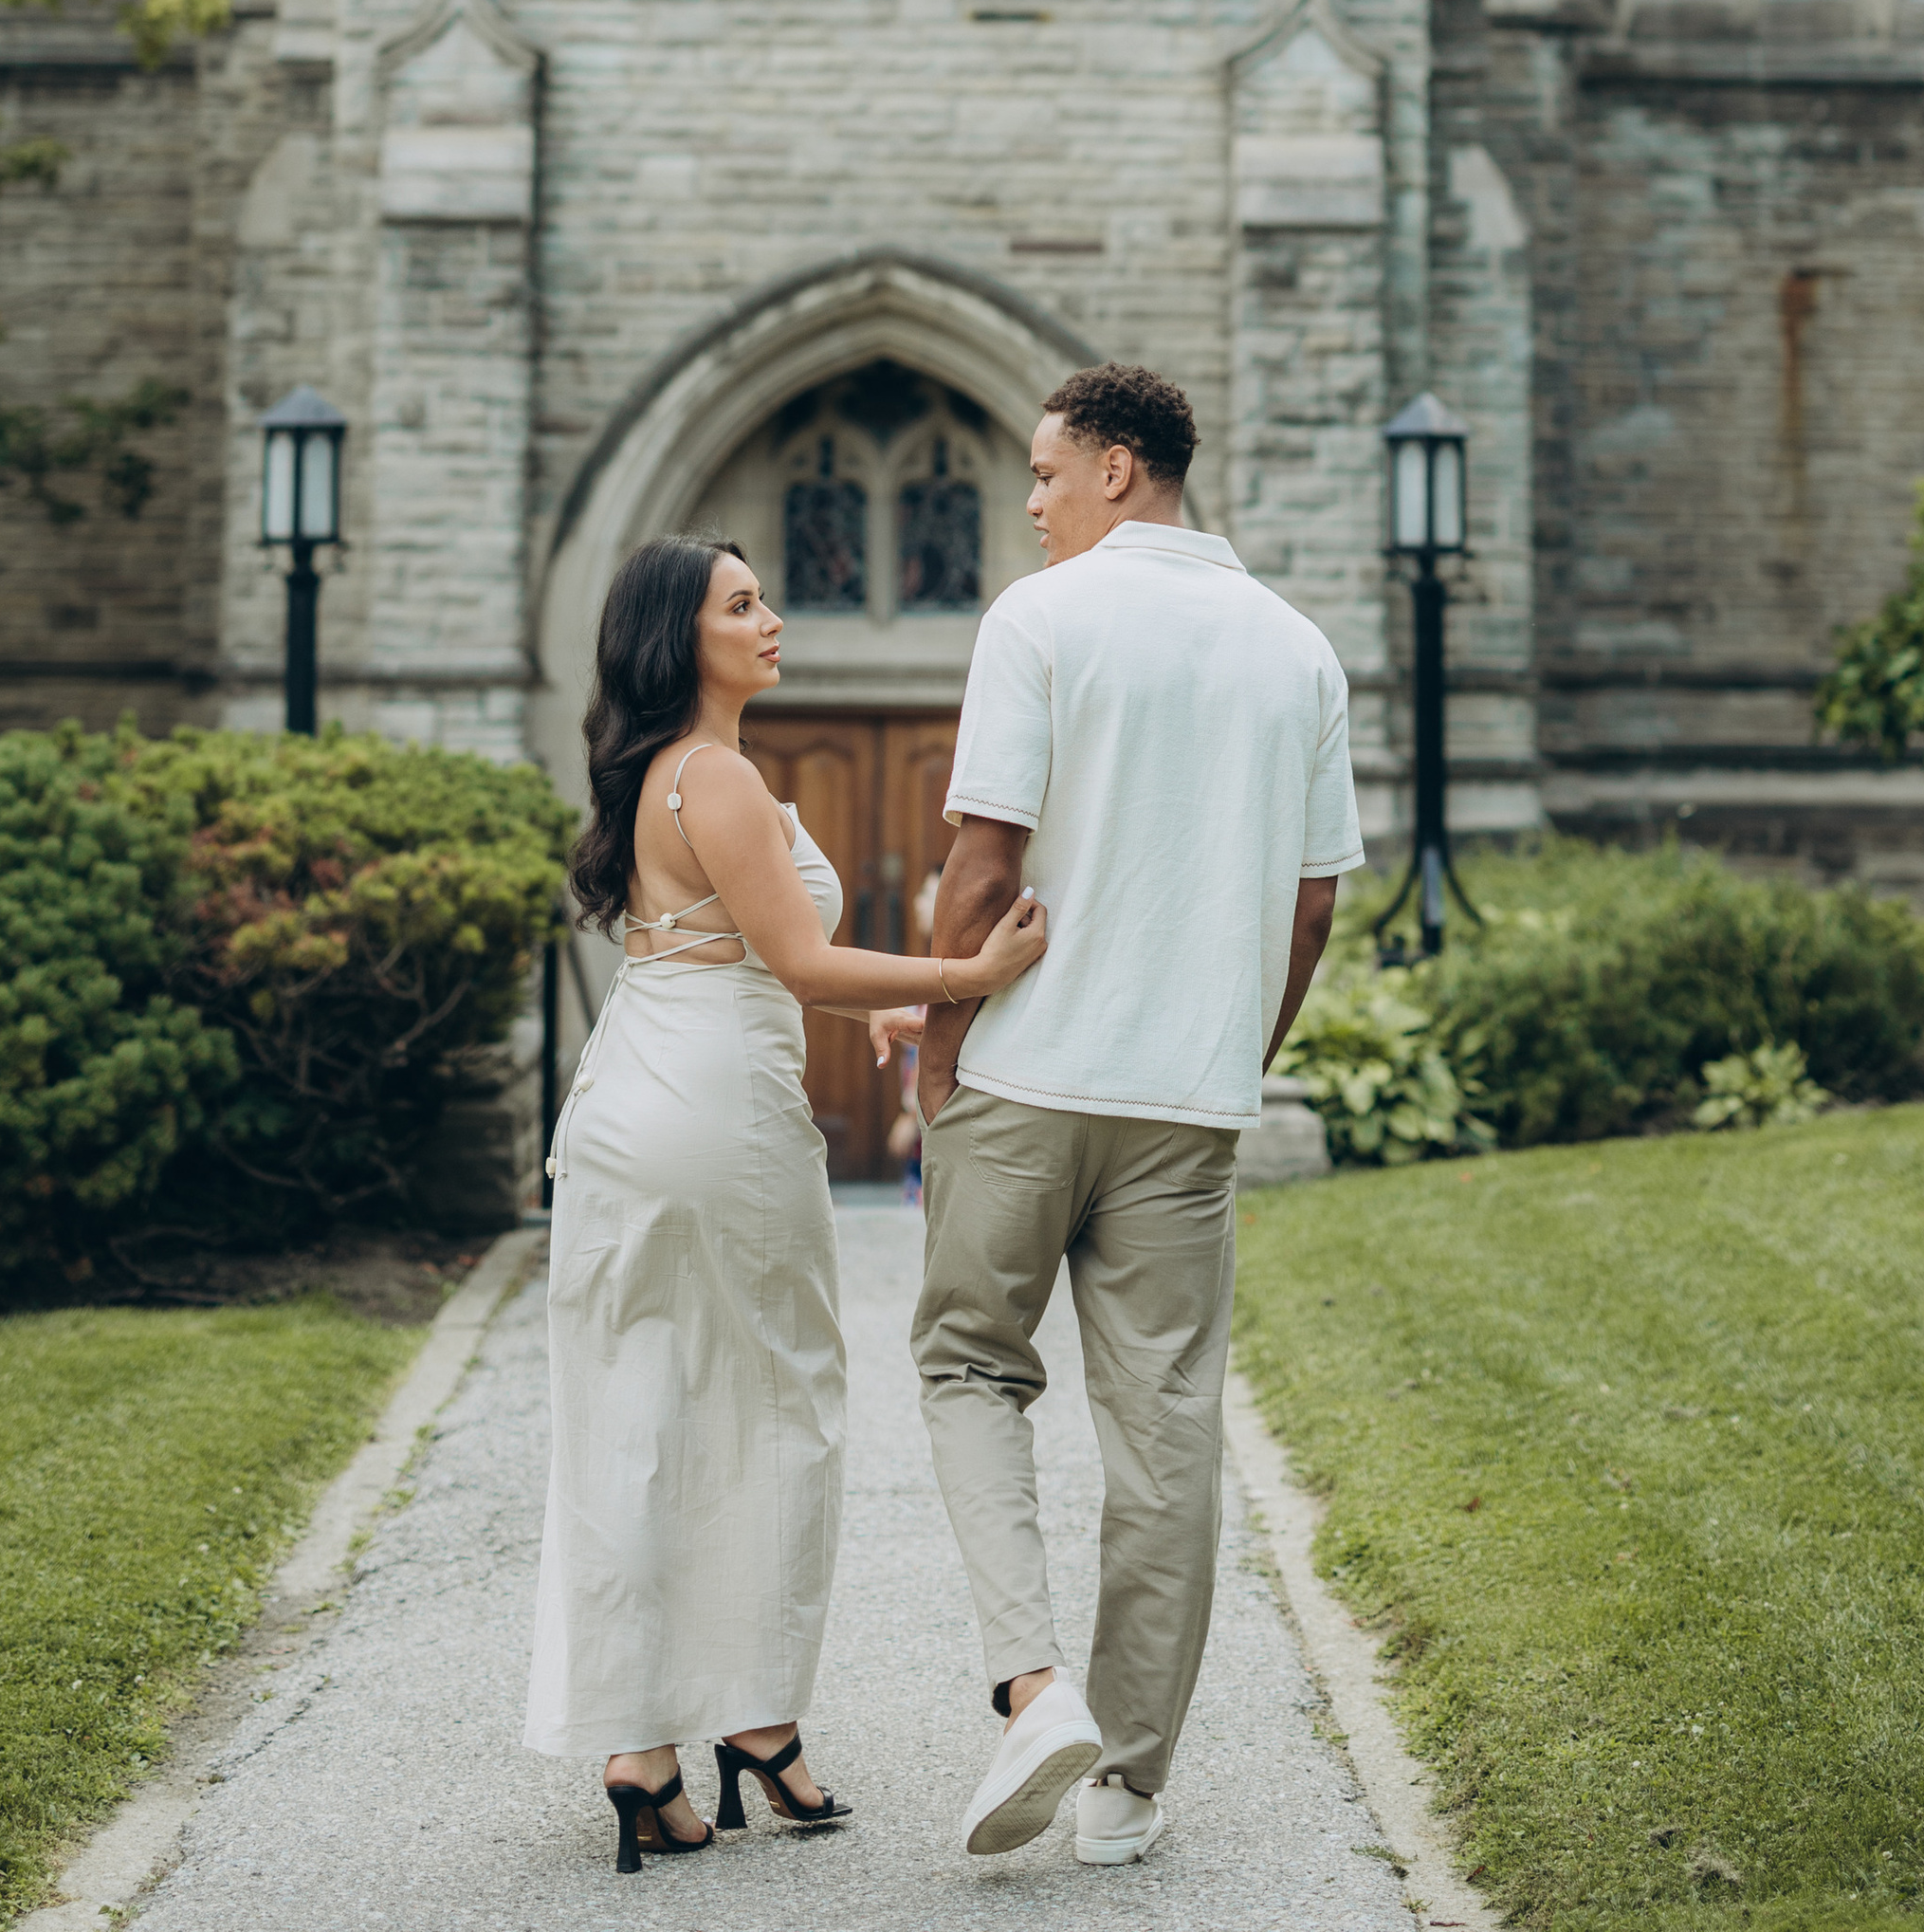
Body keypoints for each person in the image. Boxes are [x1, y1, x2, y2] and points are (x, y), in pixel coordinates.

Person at [524, 534, 1047, 1873]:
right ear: (679, 637)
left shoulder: (657, 772)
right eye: (742, 605)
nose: (773, 621)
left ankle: (643, 1752)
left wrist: (888, 1006)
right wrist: (965, 976)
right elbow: (803, 963)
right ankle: (757, 1719)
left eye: (765, 599)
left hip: (632, 1099)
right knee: (782, 1405)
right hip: (718, 1116)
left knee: (638, 1408)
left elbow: (738, 953)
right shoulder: (720, 776)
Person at [902, 363, 1362, 1868]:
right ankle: (1127, 1789)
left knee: (969, 1365)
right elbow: (1311, 907)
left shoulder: (1041, 619)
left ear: (1117, 468)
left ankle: (1035, 1689)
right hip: (1186, 1108)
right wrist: (1235, 1051)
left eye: (1046, 474)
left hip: (1027, 1077)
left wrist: (937, 1049)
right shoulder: (1298, 649)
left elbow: (983, 866)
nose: (1031, 501)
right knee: (1167, 1431)